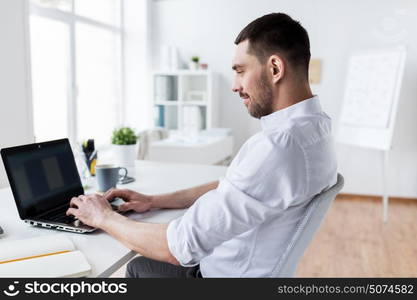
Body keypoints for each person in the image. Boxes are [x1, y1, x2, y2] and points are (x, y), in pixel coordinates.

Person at [66, 12, 337, 278]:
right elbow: (235, 187)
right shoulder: (316, 127)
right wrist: (154, 201)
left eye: (241, 71)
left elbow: (176, 247)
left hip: (221, 276)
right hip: (254, 268)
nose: (235, 86)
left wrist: (103, 217)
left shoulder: (278, 147)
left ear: (275, 68)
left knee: (138, 266)